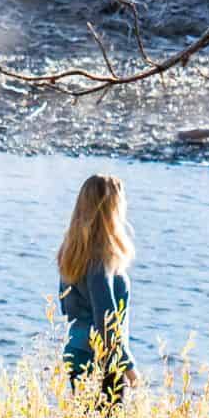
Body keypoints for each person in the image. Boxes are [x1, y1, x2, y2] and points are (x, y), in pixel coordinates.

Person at [58, 172, 137, 404]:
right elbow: (106, 319)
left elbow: (66, 307)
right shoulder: (100, 260)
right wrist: (129, 367)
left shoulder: (70, 253)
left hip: (75, 353)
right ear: (110, 211)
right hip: (102, 360)